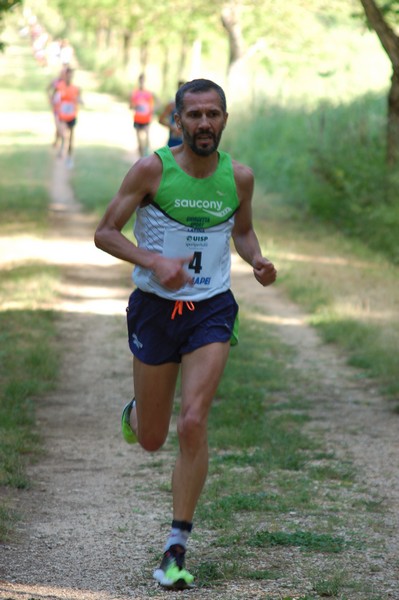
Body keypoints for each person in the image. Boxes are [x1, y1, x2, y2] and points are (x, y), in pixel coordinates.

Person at [94, 78, 277, 590]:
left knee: (193, 421)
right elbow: (105, 231)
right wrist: (154, 260)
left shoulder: (239, 178)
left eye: (212, 114)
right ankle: (138, 409)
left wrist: (256, 258)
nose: (203, 123)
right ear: (177, 120)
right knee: (153, 439)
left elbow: (241, 231)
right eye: (193, 115)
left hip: (211, 309)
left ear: (224, 119)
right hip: (155, 309)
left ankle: (176, 547)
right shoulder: (153, 169)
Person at [57, 67, 83, 168]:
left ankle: (69, 157)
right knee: (64, 134)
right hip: (62, 116)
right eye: (67, 75)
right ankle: (62, 146)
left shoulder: (76, 89)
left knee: (71, 138)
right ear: (65, 75)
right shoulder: (59, 86)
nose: (69, 77)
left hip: (72, 116)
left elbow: (80, 99)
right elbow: (54, 96)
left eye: (71, 75)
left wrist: (79, 100)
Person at [129, 73, 154, 158]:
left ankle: (147, 155)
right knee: (139, 140)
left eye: (143, 81)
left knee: (146, 138)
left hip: (146, 119)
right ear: (139, 81)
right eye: (141, 81)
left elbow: (152, 106)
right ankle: (141, 157)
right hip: (137, 119)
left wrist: (151, 112)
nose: (142, 82)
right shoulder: (135, 93)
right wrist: (136, 106)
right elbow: (130, 106)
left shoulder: (148, 93)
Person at [158, 80, 185, 147]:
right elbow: (161, 120)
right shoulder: (172, 104)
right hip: (174, 140)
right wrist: (173, 128)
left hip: (186, 141)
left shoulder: (191, 104)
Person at [47, 66, 67, 149]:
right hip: (57, 108)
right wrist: (50, 99)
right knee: (58, 126)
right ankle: (58, 142)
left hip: (64, 109)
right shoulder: (56, 82)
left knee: (61, 128)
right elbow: (48, 89)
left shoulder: (67, 83)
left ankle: (59, 143)